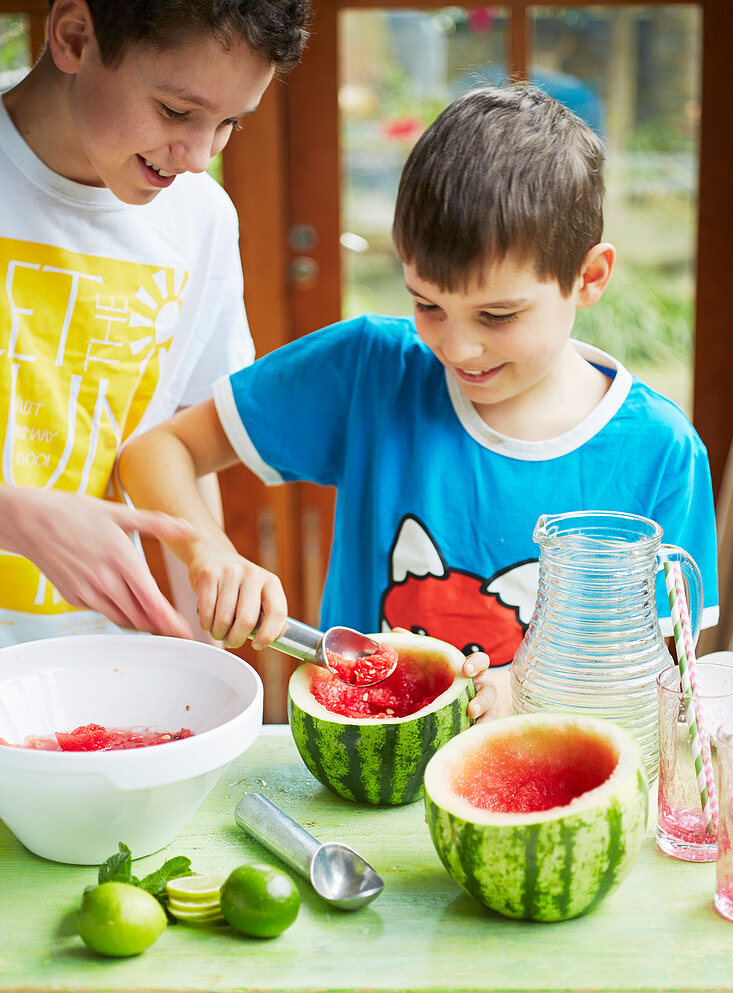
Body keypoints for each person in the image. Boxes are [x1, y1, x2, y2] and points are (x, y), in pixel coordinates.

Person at [119, 84, 719, 720]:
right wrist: (209, 552)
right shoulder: (369, 370)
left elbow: (666, 672)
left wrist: (528, 689)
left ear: (589, 278)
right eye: (428, 303)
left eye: (497, 314)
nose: (457, 348)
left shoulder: (660, 453)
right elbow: (159, 450)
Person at [0, 0, 310, 644]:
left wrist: (208, 580)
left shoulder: (202, 218)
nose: (199, 156)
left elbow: (181, 444)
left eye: (228, 124)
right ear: (75, 36)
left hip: (93, 665)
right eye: (176, 111)